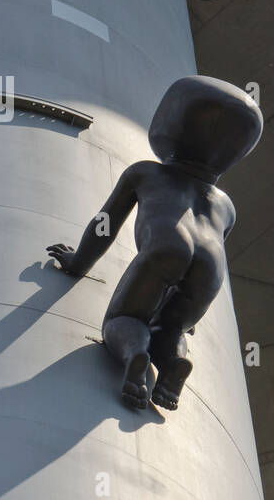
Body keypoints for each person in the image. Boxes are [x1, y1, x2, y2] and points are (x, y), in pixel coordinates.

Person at [47, 76, 262, 410]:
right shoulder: (226, 206)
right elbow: (217, 248)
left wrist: (78, 263)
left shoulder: (146, 173)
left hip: (167, 247)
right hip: (210, 268)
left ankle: (136, 355)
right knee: (172, 326)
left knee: (124, 320)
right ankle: (174, 363)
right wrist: (188, 318)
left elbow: (105, 225)